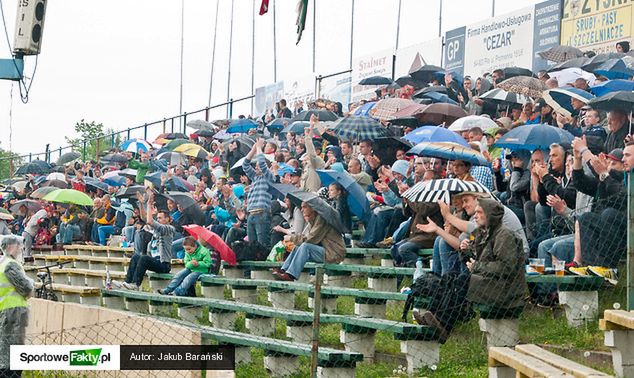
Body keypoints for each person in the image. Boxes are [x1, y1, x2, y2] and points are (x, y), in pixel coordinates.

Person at [114, 191, 175, 290]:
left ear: (168, 219)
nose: (158, 220)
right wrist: (142, 204)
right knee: (136, 256)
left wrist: (149, 204)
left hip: (164, 265)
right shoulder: (157, 229)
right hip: (155, 261)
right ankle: (127, 282)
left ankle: (135, 284)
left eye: (160, 218)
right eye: (158, 218)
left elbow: (150, 221)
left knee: (144, 258)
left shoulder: (169, 229)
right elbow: (144, 218)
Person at [272, 201, 345, 281]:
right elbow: (305, 236)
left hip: (334, 253)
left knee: (305, 246)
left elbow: (310, 240)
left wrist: (291, 238)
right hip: (326, 250)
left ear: (312, 208)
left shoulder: (322, 220)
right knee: (298, 247)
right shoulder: (314, 219)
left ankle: (290, 275)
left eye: (304, 207)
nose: (302, 210)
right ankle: (284, 269)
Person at [0, 235, 33, 378]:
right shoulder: (10, 265)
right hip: (13, 311)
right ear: (9, 247)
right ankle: (10, 374)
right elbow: (25, 287)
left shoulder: (4, 263)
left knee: (6, 346)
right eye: (18, 246)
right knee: (12, 347)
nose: (20, 249)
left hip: (7, 309)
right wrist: (32, 284)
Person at [242, 137, 275, 249]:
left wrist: (259, 148)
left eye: (258, 166)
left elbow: (262, 163)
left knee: (262, 245)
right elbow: (245, 165)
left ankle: (264, 267)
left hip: (262, 213)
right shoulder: (255, 177)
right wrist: (253, 149)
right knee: (252, 246)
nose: (256, 167)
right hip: (251, 214)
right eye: (255, 166)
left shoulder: (270, 177)